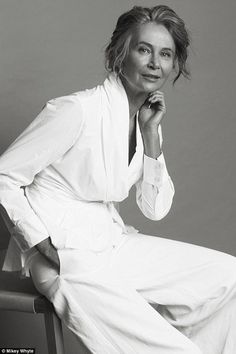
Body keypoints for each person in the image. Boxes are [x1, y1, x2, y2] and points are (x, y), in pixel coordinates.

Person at [0, 5, 236, 354]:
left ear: (174, 65)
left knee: (228, 276)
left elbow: (154, 209)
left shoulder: (143, 122)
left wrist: (151, 135)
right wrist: (40, 244)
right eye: (144, 49)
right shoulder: (76, 110)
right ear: (119, 54)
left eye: (166, 54)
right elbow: (4, 175)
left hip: (112, 242)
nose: (155, 62)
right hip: (68, 257)